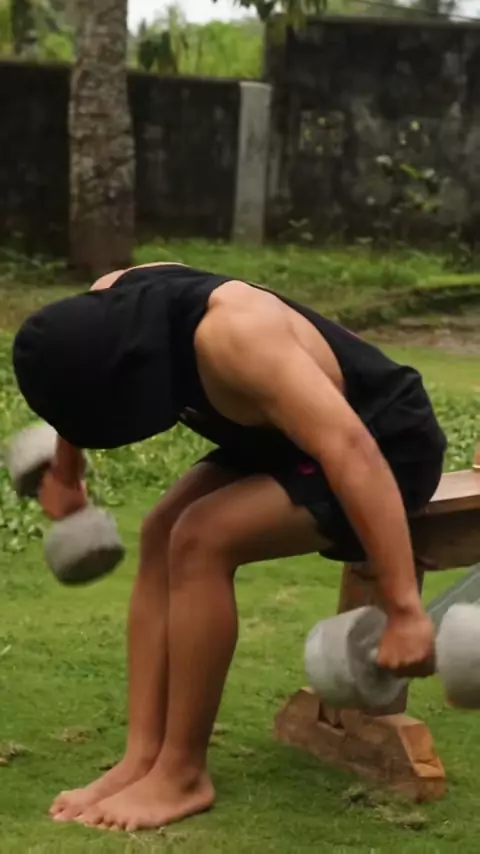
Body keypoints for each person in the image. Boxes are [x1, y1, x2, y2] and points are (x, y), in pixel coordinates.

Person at [12, 261, 447, 833]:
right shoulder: (108, 308)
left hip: (383, 445)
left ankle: (182, 773)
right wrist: (67, 475)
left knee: (201, 539)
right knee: (161, 530)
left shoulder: (237, 336)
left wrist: (405, 609)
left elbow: (353, 453)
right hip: (277, 436)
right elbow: (77, 393)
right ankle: (142, 758)